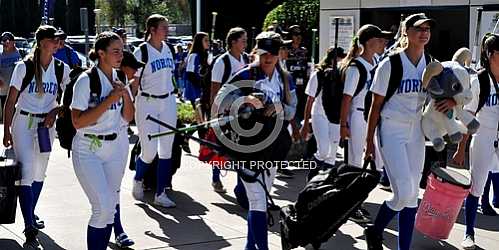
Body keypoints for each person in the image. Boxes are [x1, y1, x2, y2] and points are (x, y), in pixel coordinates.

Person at [364, 14, 441, 250]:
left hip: (416, 130)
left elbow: (441, 97)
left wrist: (447, 103)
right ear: (406, 31)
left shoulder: (432, 64)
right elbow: (375, 106)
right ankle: (375, 231)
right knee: (404, 191)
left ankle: (398, 245)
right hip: (391, 128)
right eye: (419, 28)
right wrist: (369, 142)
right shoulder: (391, 63)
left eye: (427, 28)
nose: (424, 32)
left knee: (411, 196)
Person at [215, 31, 296, 250]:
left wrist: (278, 108)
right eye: (263, 53)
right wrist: (245, 99)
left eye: (272, 53)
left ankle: (251, 246)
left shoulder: (286, 79)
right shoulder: (245, 74)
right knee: (258, 201)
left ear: (279, 53)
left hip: (275, 145)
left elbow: (292, 110)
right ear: (257, 52)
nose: (267, 58)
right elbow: (220, 100)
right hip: (247, 146)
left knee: (259, 201)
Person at [3, 25, 70, 247]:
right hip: (24, 122)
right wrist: (6, 131)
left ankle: (29, 213)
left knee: (40, 173)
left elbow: (69, 100)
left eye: (59, 40)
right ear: (42, 43)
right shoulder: (24, 67)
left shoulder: (62, 68)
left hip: (46, 126)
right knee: (27, 171)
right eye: (54, 40)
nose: (58, 43)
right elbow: (11, 101)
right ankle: (29, 225)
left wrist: (55, 110)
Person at [71, 31, 134, 250]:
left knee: (110, 209)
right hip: (88, 148)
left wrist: (124, 95)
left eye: (122, 50)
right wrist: (110, 100)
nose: (120, 55)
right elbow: (77, 122)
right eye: (115, 51)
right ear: (101, 54)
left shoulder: (120, 78)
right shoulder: (86, 80)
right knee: (102, 207)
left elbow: (128, 116)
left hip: (115, 148)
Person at [339, 25, 391, 223]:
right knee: (354, 163)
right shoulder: (356, 67)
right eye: (380, 39)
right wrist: (344, 125)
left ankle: (356, 200)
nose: (383, 43)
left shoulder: (377, 62)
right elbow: (346, 99)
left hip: (372, 118)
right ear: (369, 42)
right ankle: (351, 206)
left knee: (375, 164)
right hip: (358, 117)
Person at [452, 33, 499, 250]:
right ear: (490, 55)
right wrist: (461, 148)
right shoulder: (479, 80)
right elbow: (467, 117)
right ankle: (469, 233)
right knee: (477, 186)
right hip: (482, 136)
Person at [132, 14, 178, 208]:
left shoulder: (169, 49)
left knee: (166, 150)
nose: (167, 31)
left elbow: (171, 76)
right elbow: (133, 83)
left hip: (168, 101)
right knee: (149, 153)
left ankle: (161, 193)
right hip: (147, 103)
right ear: (152, 29)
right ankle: (138, 178)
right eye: (163, 27)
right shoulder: (141, 52)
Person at [111, 50, 145, 248]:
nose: (137, 70)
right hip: (98, 144)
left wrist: (127, 91)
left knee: (113, 189)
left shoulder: (125, 82)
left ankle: (118, 229)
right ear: (123, 65)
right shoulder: (104, 81)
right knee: (105, 195)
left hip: (120, 140)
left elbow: (129, 116)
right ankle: (111, 226)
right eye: (134, 66)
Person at [286, 25, 309, 123]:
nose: (298, 37)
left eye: (300, 34)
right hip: (290, 83)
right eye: (295, 34)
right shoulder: (286, 50)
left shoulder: (304, 50)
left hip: (302, 83)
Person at [0, 32, 21, 119]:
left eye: (7, 40)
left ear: (13, 42)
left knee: (16, 111)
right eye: (3, 41)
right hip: (3, 89)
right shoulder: (0, 55)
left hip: (16, 88)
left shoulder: (18, 53)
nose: (5, 43)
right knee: (6, 109)